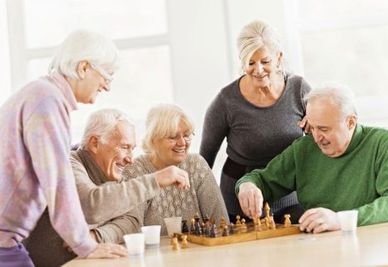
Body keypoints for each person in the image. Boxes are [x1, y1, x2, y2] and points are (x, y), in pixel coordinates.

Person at [0, 30, 128, 266]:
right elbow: (58, 182)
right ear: (83, 68)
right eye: (107, 75)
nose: (107, 86)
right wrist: (85, 245)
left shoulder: (42, 94)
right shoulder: (47, 101)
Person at [25, 108, 191, 266]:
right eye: (124, 147)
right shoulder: (66, 164)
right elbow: (91, 205)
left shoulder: (111, 170)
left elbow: (131, 220)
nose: (130, 159)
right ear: (95, 143)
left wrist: (98, 236)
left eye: (132, 149)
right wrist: (154, 180)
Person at [236, 83, 388, 234]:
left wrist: (340, 220)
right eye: (312, 128)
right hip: (319, 245)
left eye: (324, 129)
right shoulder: (304, 148)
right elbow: (262, 179)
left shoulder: (385, 143)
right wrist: (247, 185)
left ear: (350, 122)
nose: (316, 138)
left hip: (372, 243)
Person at [200, 20, 311, 223]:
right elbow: (204, 160)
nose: (258, 70)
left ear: (278, 57)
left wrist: (316, 126)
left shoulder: (299, 90)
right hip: (240, 197)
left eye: (265, 61)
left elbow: (322, 140)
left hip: (290, 192)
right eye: (250, 63)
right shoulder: (226, 100)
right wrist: (204, 208)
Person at [124, 104, 229, 235]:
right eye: (173, 137)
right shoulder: (135, 171)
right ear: (153, 139)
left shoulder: (197, 165)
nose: (182, 143)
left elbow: (222, 224)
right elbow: (131, 231)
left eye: (186, 135)